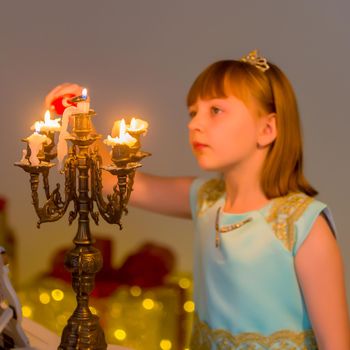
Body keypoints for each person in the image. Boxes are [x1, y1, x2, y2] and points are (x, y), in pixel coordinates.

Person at [103, 51, 350, 349]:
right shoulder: (206, 200)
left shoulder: (304, 225)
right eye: (193, 112)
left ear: (267, 129)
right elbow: (121, 185)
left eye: (215, 110)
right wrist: (73, 124)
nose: (194, 124)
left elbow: (336, 345)